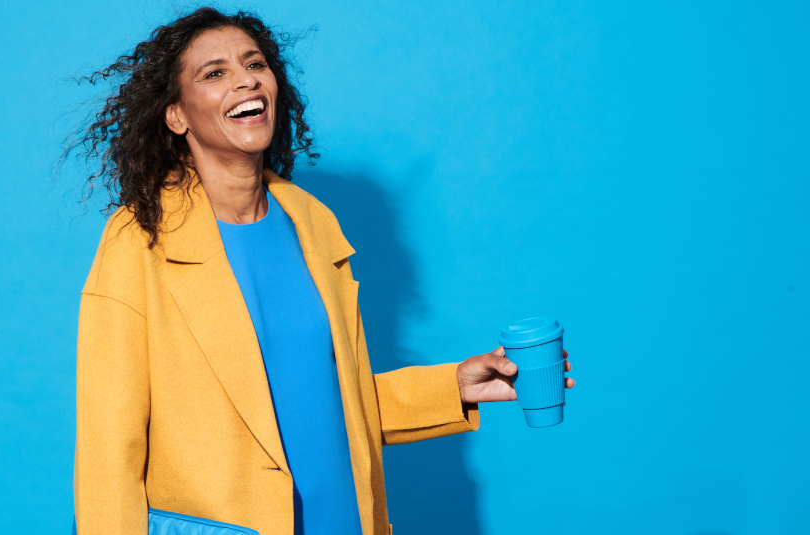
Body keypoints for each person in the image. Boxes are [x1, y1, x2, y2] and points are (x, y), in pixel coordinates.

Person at [68, 8, 574, 535]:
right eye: (214, 73)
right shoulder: (139, 239)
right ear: (176, 115)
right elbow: (109, 451)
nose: (246, 80)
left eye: (255, 64)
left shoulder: (311, 223)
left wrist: (456, 386)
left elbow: (332, 402)